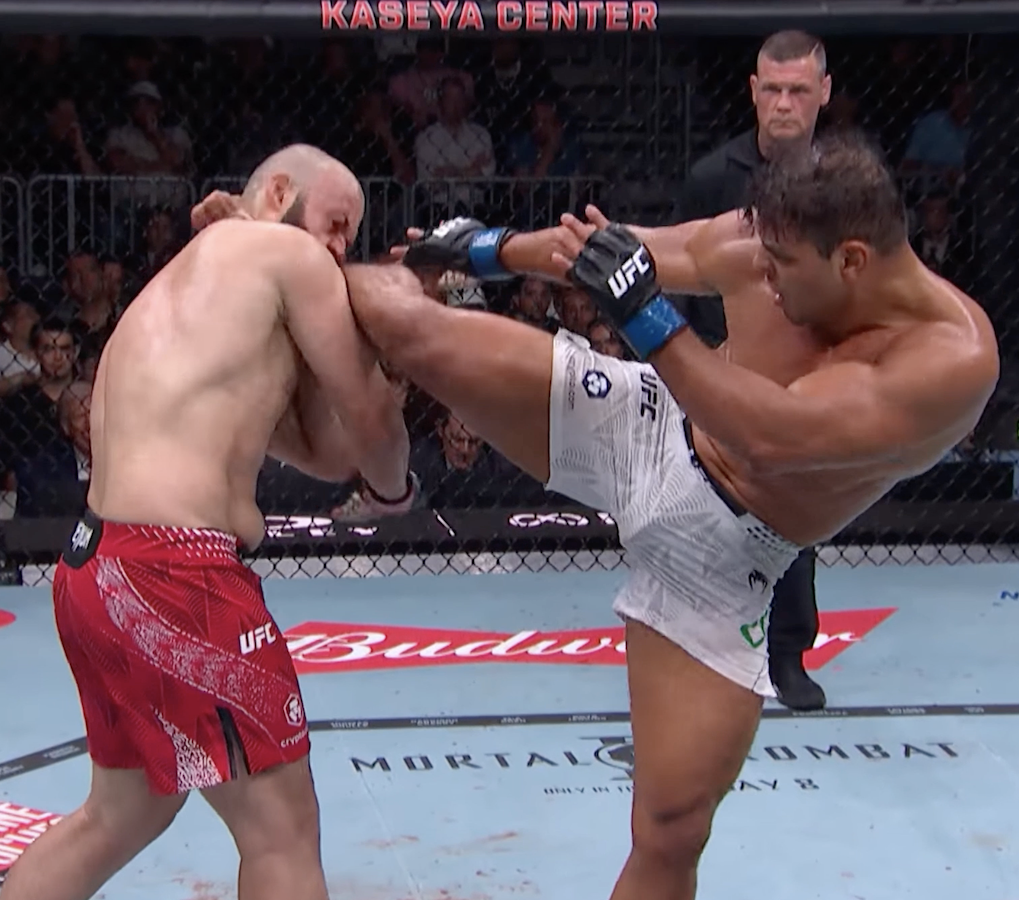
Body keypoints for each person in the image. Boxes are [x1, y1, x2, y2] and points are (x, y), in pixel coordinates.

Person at [195, 130, 998, 899]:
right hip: (652, 423)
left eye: (781, 267)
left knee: (670, 832)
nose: (765, 276)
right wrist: (481, 248)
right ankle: (258, 245)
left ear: (851, 260)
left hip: (725, 550)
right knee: (410, 322)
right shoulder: (772, 239)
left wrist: (648, 318)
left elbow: (769, 438)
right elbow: (611, 251)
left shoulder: (945, 361)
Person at [0, 144, 425, 900]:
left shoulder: (198, 286)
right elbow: (373, 431)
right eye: (335, 224)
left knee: (123, 814)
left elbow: (327, 452)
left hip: (94, 568)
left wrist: (355, 351)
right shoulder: (286, 257)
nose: (338, 249)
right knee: (282, 832)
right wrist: (395, 494)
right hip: (175, 574)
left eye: (350, 238)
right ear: (280, 192)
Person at [675, 29, 833, 710]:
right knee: (707, 511)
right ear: (752, 92)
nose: (783, 104)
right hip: (723, 367)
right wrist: (703, 363)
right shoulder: (713, 178)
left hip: (808, 371)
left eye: (797, 90)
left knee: (791, 511)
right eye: (772, 90)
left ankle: (786, 654)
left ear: (823, 92)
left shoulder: (845, 183)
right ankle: (706, 648)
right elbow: (681, 271)